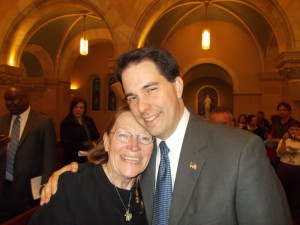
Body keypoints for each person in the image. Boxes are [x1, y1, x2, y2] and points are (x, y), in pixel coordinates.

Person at [41, 46, 292, 224]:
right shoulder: (140, 157)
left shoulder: (240, 152)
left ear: (178, 86)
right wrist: (70, 177)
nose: (142, 106)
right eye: (133, 97)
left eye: (150, 89)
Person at [30, 105, 152, 225]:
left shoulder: (155, 189)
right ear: (107, 142)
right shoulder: (70, 186)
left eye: (145, 137)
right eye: (123, 135)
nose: (134, 146)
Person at [0, 86, 56, 223]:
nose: (9, 103)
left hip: (28, 189)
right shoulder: (1, 121)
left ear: (25, 97)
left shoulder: (43, 122)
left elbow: (49, 158)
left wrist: (45, 185)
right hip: (3, 188)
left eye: (13, 99)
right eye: (6, 99)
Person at [60, 97, 99, 165]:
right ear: (72, 108)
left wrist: (95, 144)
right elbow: (66, 145)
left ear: (84, 109)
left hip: (90, 157)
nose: (78, 110)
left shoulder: (89, 120)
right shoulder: (66, 123)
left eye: (81, 107)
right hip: (73, 159)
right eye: (76, 107)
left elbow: (96, 136)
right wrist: (85, 144)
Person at [276, 120, 300, 224]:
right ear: (288, 130)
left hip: (297, 170)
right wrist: (285, 140)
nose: (294, 131)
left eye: (297, 129)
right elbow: (281, 153)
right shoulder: (283, 140)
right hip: (284, 168)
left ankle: (297, 218)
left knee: (297, 195)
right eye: (292, 129)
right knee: (284, 194)